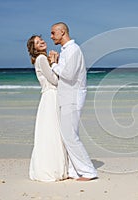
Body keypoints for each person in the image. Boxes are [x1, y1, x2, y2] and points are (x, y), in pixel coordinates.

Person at [49, 22, 97, 181]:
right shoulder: (66, 51)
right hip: (67, 97)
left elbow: (68, 75)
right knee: (68, 135)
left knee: (70, 136)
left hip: (73, 98)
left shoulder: (73, 50)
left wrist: (53, 64)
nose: (51, 36)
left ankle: (89, 171)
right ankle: (74, 171)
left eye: (53, 32)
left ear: (62, 32)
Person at [27, 35, 68, 182]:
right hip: (51, 96)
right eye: (37, 43)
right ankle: (54, 168)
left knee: (50, 131)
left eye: (41, 40)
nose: (42, 42)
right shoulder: (42, 59)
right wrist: (54, 62)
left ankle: (55, 165)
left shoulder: (40, 59)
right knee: (54, 130)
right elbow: (54, 80)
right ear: (35, 48)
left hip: (48, 97)